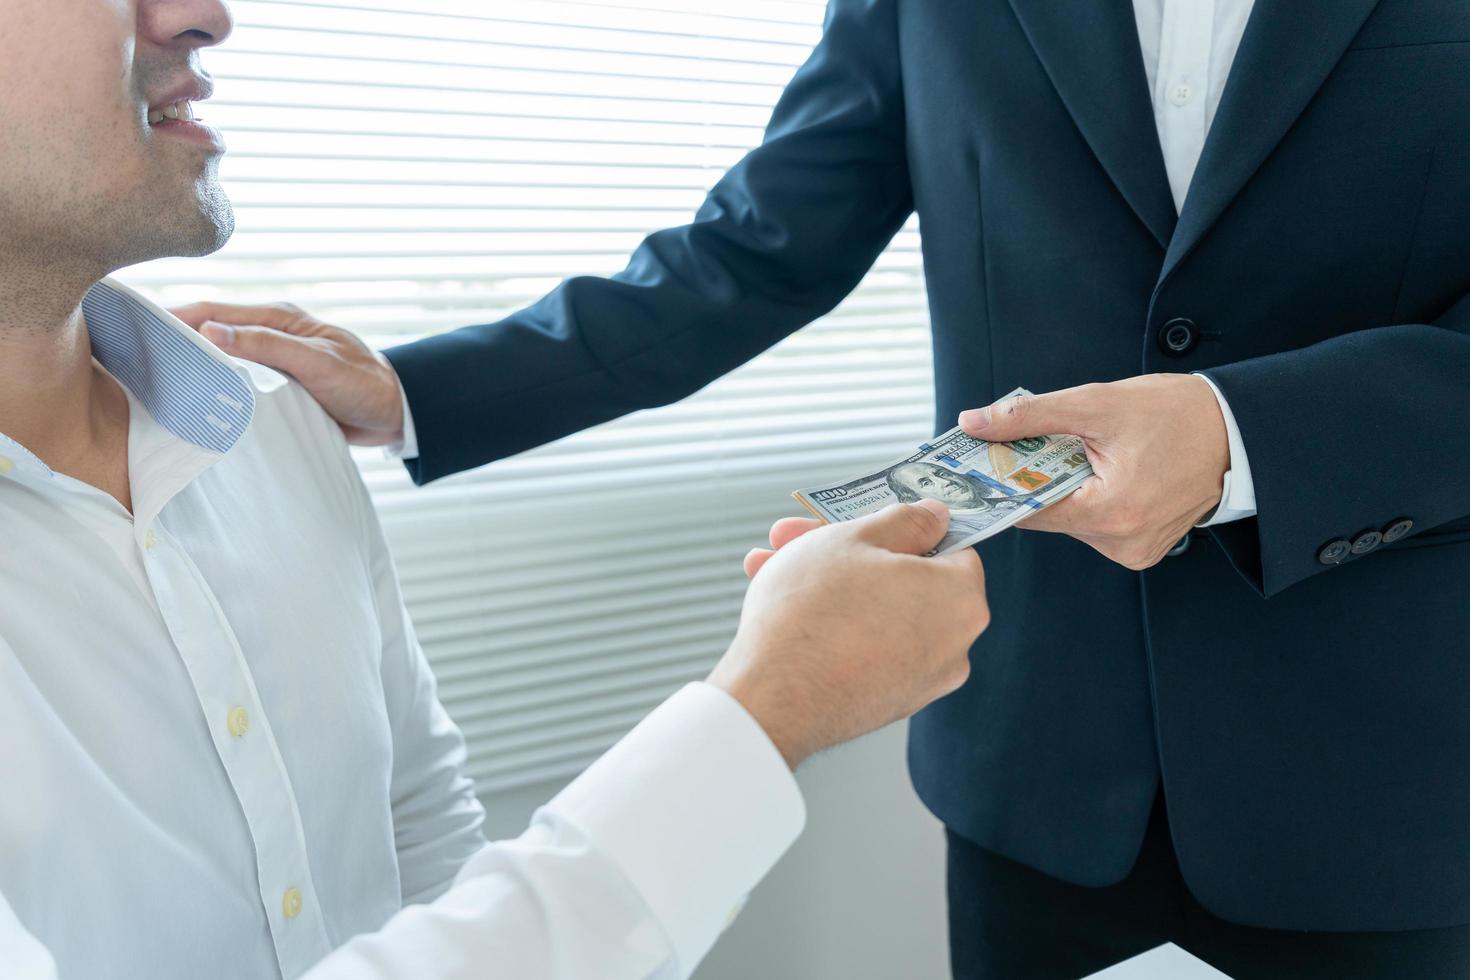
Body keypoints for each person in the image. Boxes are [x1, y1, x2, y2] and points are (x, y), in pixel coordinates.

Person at [196, 0, 1470, 975]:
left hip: (1399, 767)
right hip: (1037, 769)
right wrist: (428, 391)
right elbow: (761, 245)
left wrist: (1243, 428)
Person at [0, 1, 991, 978]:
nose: (205, 16)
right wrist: (772, 706)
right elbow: (764, 245)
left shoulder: (276, 427)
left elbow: (425, 830)